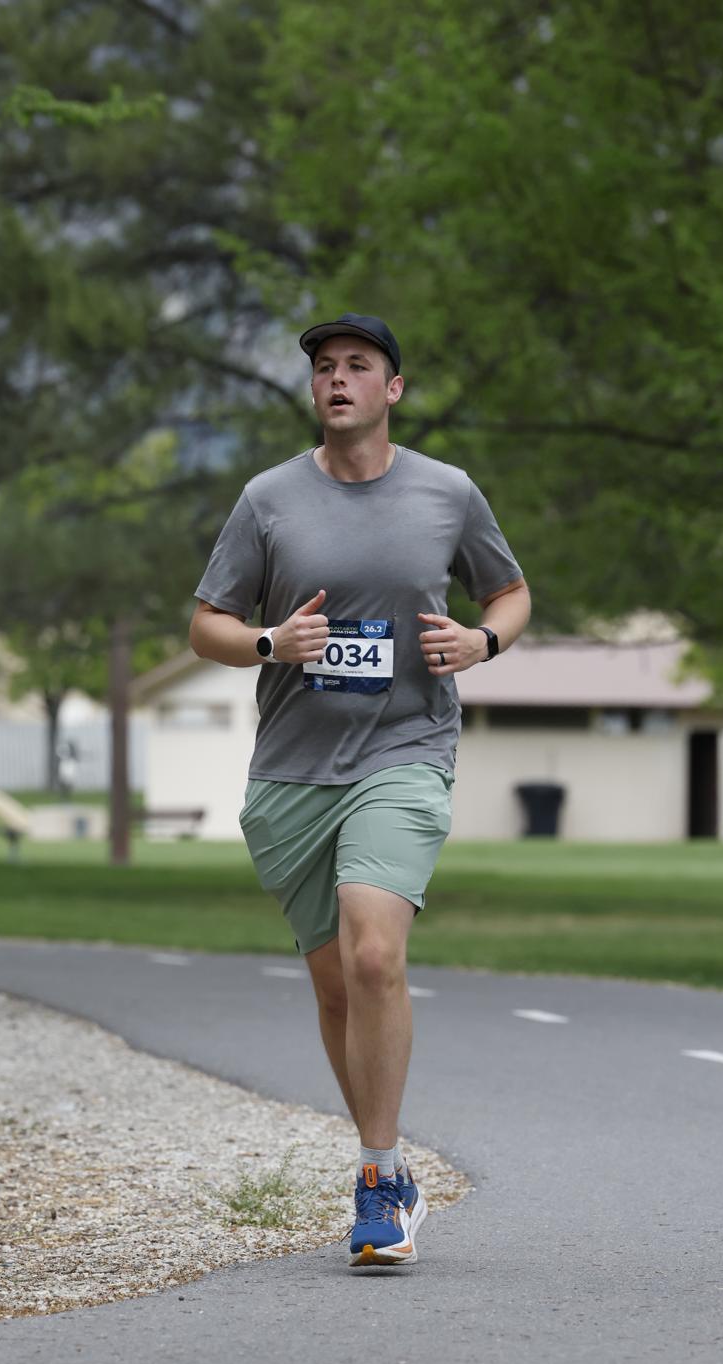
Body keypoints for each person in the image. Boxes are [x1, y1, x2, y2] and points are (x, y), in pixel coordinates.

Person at [189, 313, 531, 1269]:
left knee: (374, 954)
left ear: (393, 388)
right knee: (337, 985)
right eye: (325, 368)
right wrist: (269, 642)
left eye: (358, 366)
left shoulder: (446, 492)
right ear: (314, 391)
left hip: (404, 749)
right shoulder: (268, 499)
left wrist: (481, 642)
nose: (338, 380)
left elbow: (508, 592)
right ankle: (392, 1166)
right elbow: (207, 626)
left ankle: (377, 1181)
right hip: (293, 770)